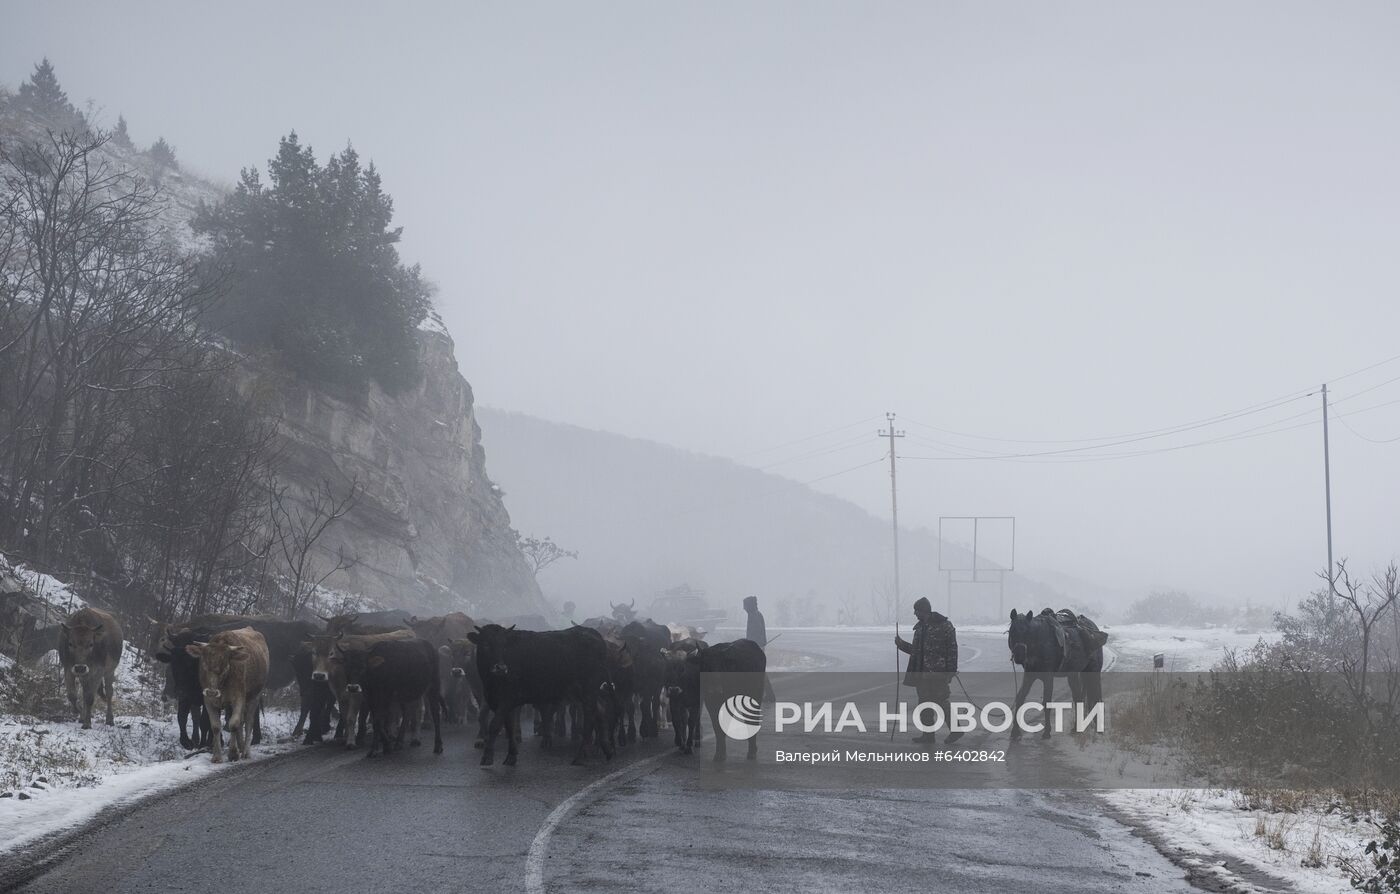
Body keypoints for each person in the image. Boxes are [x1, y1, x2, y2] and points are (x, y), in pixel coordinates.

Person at [895, 597, 961, 745]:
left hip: (938, 672)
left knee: (941, 701)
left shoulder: (945, 626)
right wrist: (901, 644)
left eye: (916, 610)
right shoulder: (920, 628)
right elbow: (916, 651)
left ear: (923, 610)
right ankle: (928, 735)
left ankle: (956, 730)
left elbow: (952, 649)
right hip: (922, 673)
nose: (914, 614)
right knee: (924, 703)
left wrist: (951, 671)